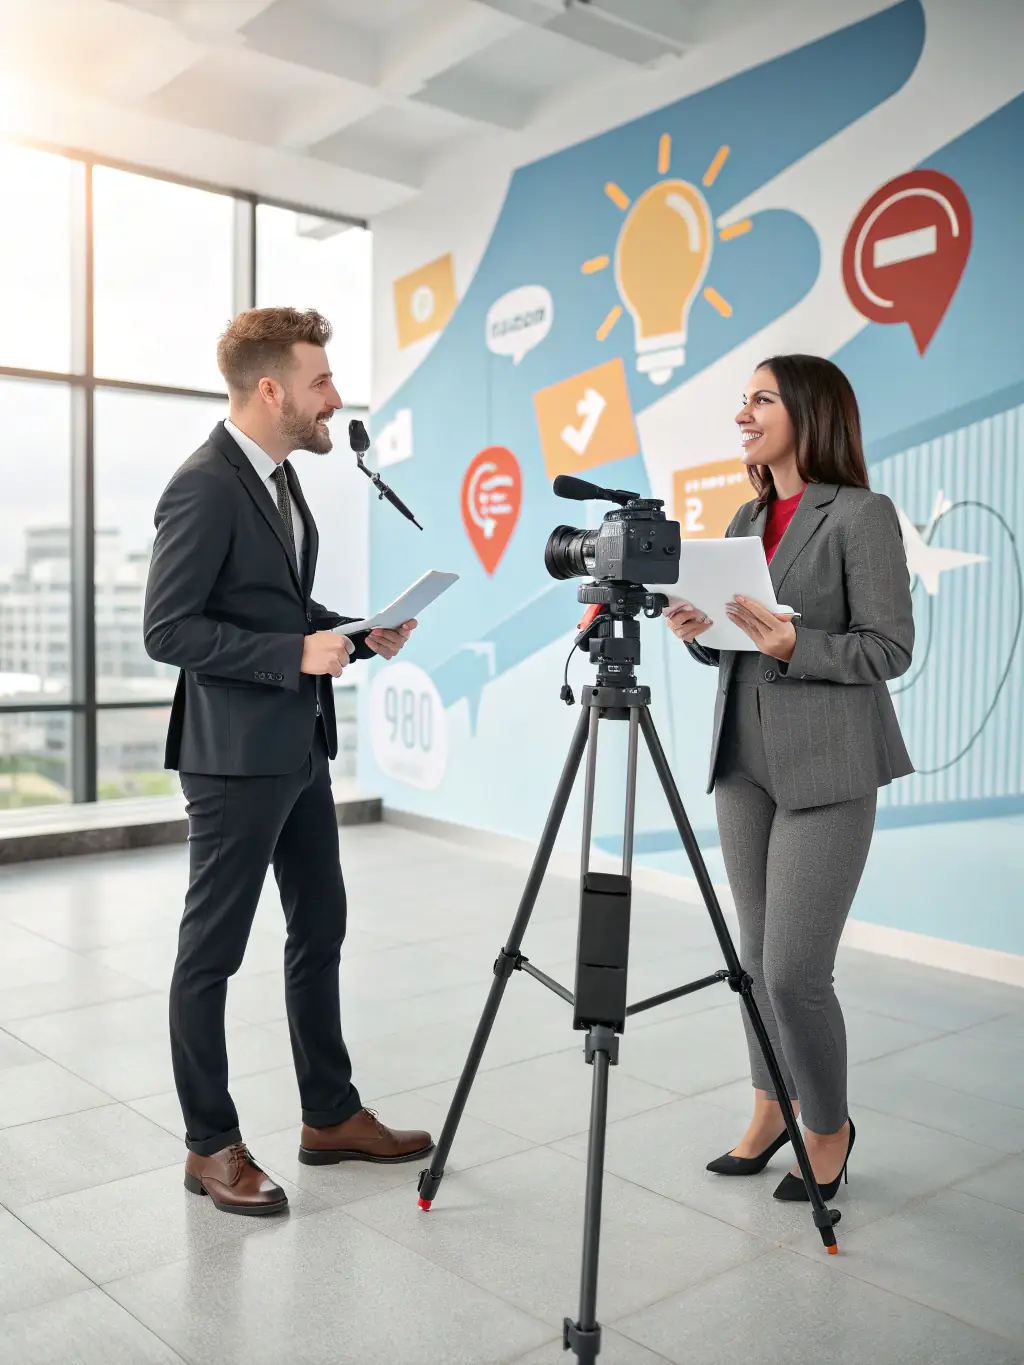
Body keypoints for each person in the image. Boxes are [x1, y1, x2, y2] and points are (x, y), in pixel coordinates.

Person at [144, 307, 433, 1216]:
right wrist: (292, 655)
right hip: (234, 759)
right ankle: (210, 1145)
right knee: (212, 953)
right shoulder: (203, 485)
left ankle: (330, 1115)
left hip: (296, 744)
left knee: (321, 926)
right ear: (271, 390)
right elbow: (169, 628)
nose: (333, 400)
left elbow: (274, 600)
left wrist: (349, 629)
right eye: (319, 383)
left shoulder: (273, 478)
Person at [665, 353, 913, 1202]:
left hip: (831, 766)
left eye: (761, 399)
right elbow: (738, 642)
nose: (744, 413)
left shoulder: (861, 514)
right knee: (754, 954)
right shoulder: (746, 511)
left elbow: (890, 647)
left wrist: (792, 644)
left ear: (807, 412)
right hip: (745, 761)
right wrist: (700, 630)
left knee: (795, 969)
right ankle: (771, 1104)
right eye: (743, 401)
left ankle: (829, 1123)